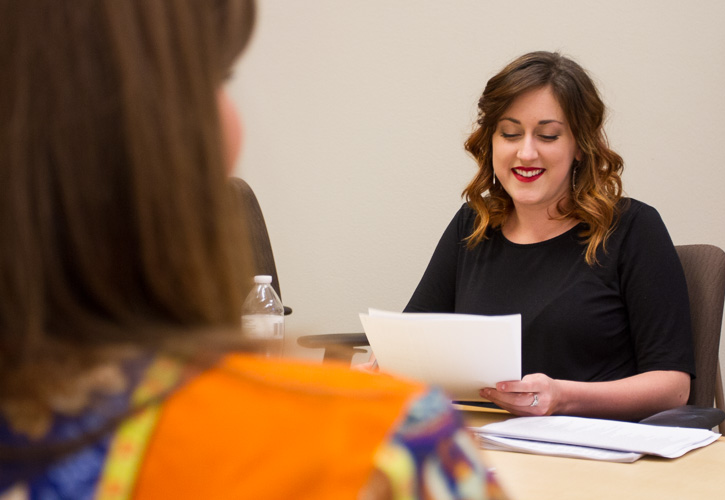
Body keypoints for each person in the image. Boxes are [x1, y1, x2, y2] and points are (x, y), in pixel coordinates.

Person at [0, 1, 507, 498]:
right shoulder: (384, 455)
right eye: (217, 76)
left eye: (546, 135)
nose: (526, 152)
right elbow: (411, 333)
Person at [404, 51, 695, 422]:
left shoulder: (634, 228)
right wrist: (386, 368)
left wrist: (562, 397)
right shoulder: (472, 225)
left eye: (548, 135)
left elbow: (673, 386)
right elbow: (412, 343)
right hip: (484, 446)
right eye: (510, 134)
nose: (526, 152)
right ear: (491, 142)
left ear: (579, 147)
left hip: (593, 455)